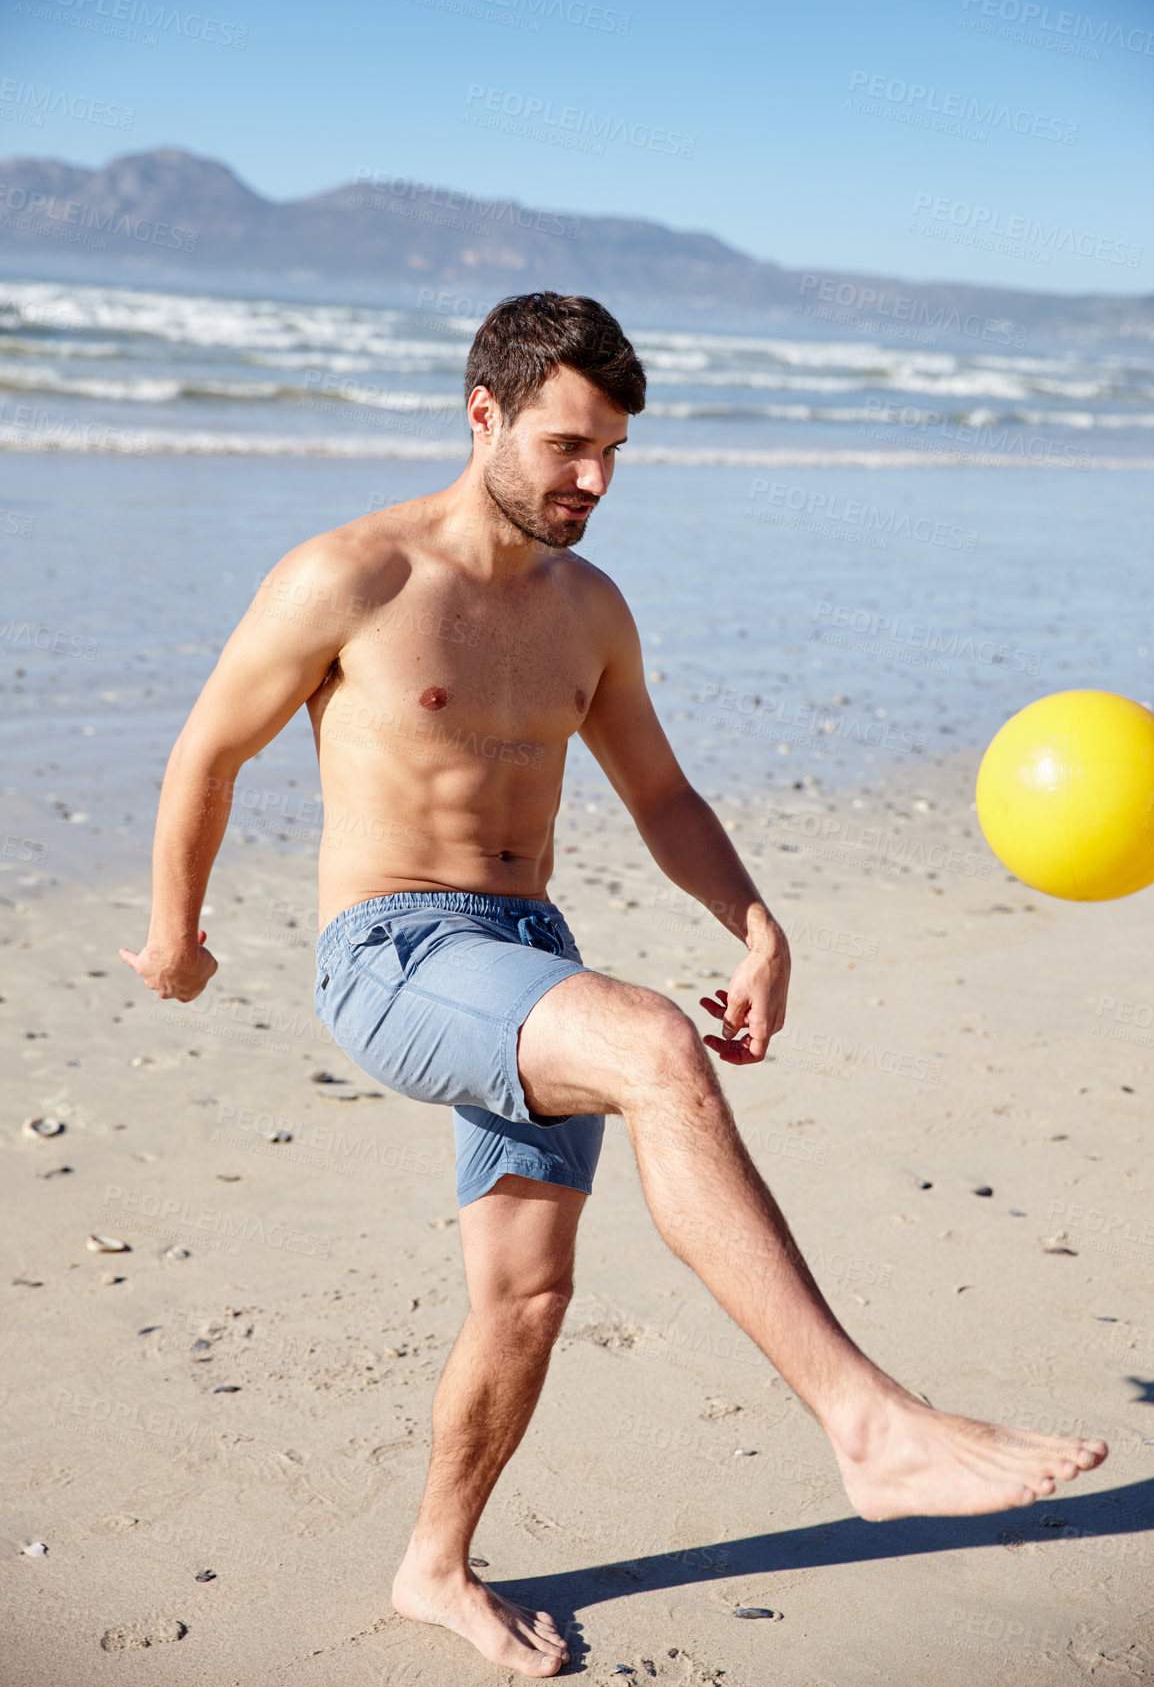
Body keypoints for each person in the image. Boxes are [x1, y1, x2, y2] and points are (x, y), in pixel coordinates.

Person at [122, 291, 1107, 1680]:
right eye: (569, 446)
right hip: (393, 954)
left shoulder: (590, 609)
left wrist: (757, 925)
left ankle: (431, 1567)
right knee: (652, 1047)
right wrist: (178, 934)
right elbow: (205, 753)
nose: (591, 481)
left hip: (526, 952)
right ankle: (867, 1423)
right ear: (484, 415)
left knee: (525, 1294)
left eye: (613, 454)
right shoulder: (351, 577)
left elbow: (660, 790)